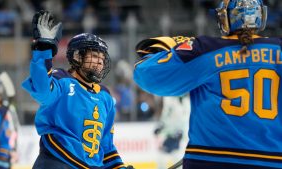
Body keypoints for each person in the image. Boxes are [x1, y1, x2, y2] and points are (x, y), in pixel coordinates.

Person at [133, 0, 282, 169]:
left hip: (210, 159)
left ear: (226, 19)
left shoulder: (205, 49)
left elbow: (146, 75)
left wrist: (174, 46)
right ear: (261, 16)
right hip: (273, 161)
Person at [22, 10, 132, 169]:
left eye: (102, 59)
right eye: (94, 56)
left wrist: (118, 168)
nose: (100, 63)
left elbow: (106, 146)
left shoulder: (105, 96)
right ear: (77, 57)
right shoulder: (61, 80)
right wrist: (43, 50)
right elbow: (42, 91)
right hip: (57, 162)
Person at [154, 95, 190, 169]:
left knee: (178, 159)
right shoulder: (168, 98)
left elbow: (186, 118)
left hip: (182, 136)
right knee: (162, 158)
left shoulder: (187, 102)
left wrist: (181, 131)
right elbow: (166, 115)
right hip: (170, 133)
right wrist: (161, 126)